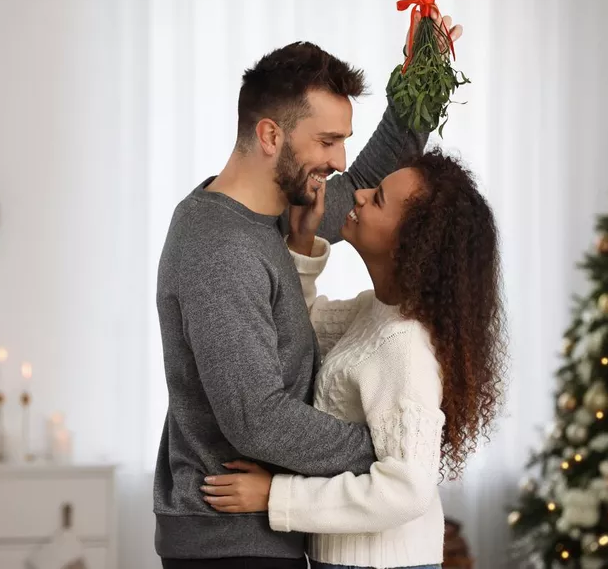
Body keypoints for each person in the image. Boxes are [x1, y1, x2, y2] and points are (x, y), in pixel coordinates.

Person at [154, 13, 463, 568]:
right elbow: (258, 418)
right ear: (271, 135)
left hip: (261, 531)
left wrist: (426, 77)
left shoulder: (279, 216)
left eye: (341, 139)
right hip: (228, 539)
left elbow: (374, 187)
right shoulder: (219, 245)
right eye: (326, 140)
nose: (339, 161)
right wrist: (388, 453)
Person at [200, 149, 507, 569]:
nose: (359, 195)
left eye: (378, 198)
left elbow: (406, 489)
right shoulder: (374, 312)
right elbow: (299, 326)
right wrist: (303, 242)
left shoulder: (403, 345)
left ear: (411, 243)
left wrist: (276, 495)